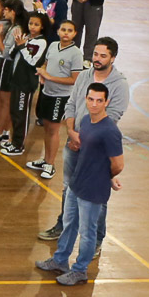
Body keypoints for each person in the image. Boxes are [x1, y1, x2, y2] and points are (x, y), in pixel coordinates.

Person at [38, 36, 128, 242]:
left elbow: (112, 117)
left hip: (96, 149)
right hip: (74, 143)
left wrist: (84, 138)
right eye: (95, 54)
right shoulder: (84, 76)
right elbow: (70, 105)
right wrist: (71, 131)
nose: (97, 59)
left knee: (97, 195)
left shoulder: (120, 85)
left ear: (112, 58)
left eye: (103, 56)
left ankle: (96, 239)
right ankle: (62, 226)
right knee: (68, 188)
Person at [37, 82, 125, 286]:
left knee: (87, 232)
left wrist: (106, 177)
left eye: (99, 101)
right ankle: (60, 260)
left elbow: (118, 164)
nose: (94, 104)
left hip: (93, 190)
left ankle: (80, 270)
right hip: (76, 184)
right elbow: (90, 152)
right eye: (91, 99)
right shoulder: (85, 121)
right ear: (86, 99)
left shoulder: (110, 131)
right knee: (69, 225)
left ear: (106, 102)